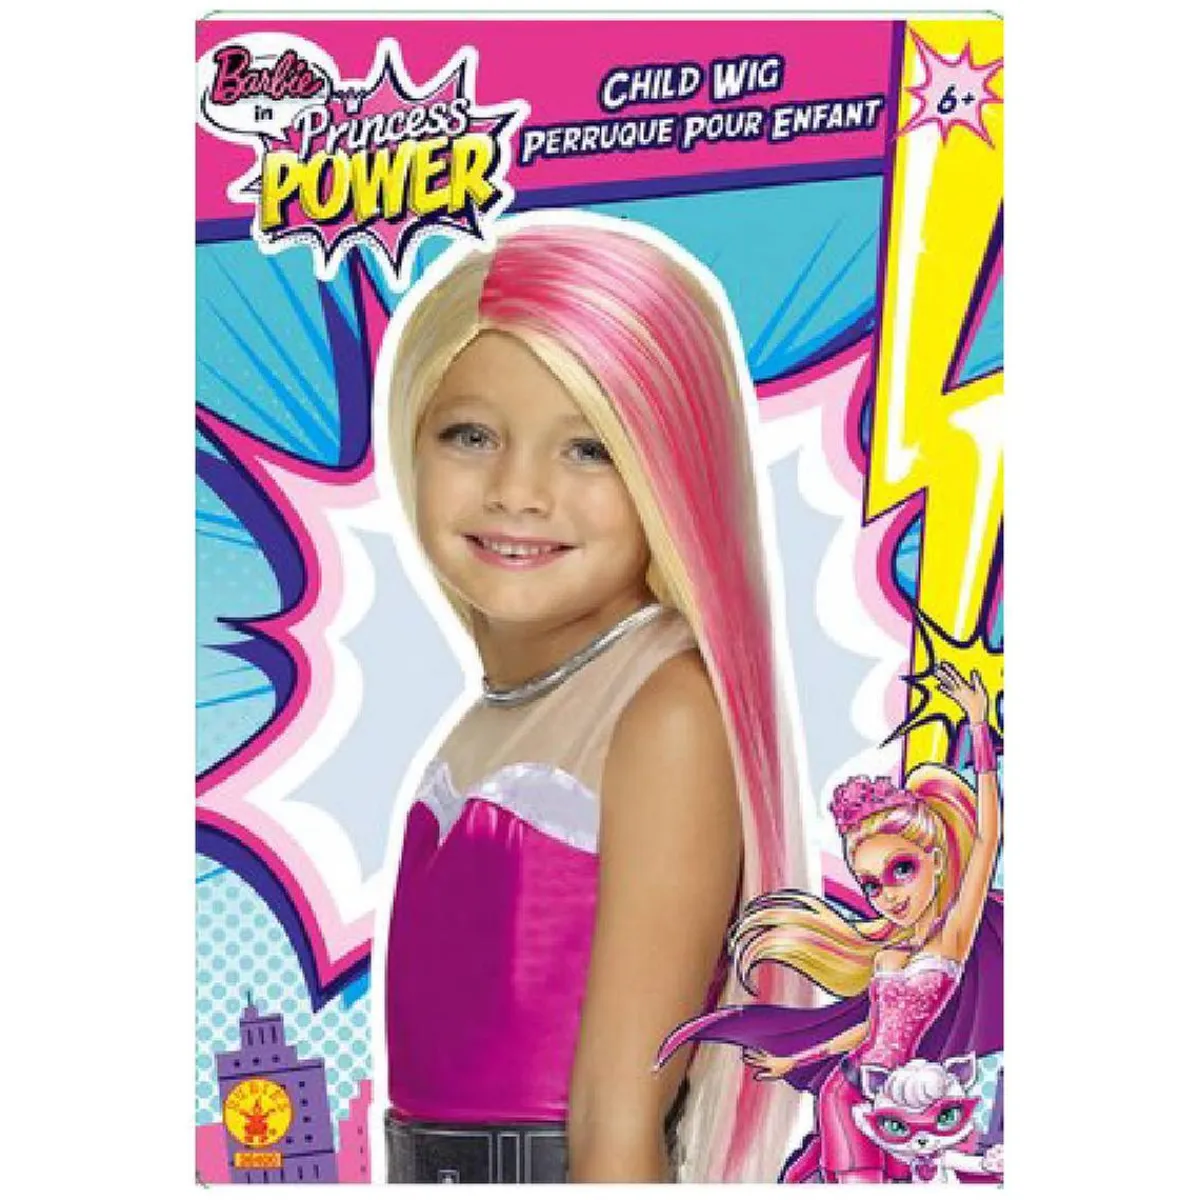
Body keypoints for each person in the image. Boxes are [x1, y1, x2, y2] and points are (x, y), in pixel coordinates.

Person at [375, 215, 815, 1182]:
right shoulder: (495, 711)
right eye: (471, 435)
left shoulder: (664, 713)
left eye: (589, 448)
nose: (518, 491)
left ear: (673, 461)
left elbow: (619, 1117)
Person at [656, 661, 1004, 1183]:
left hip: (902, 1103)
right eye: (872, 885)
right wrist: (794, 1061)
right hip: (851, 1090)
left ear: (934, 859)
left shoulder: (952, 938)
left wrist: (978, 726)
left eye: (901, 869)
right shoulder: (890, 953)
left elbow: (987, 838)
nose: (889, 895)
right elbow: (868, 1030)